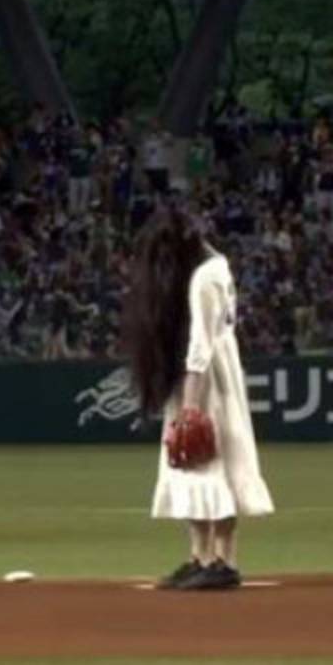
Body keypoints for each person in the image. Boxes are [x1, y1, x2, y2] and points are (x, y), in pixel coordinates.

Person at [123, 209, 274, 591]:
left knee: (211, 463)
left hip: (208, 382)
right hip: (211, 375)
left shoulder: (204, 278)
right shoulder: (214, 267)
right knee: (192, 466)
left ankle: (223, 559)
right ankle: (199, 557)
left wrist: (190, 407)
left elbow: (201, 346)